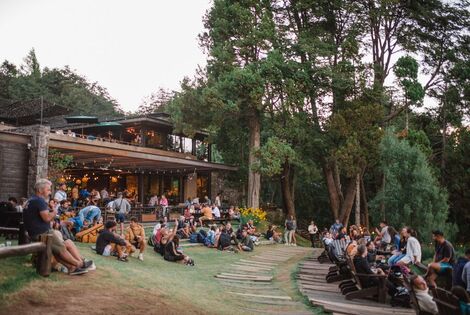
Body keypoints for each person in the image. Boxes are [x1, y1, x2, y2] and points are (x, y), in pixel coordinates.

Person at [23, 179, 92, 275]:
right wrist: (55, 211)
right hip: (42, 234)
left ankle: (71, 268)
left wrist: (51, 209)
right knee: (61, 249)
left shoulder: (31, 200)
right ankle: (80, 264)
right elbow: (47, 218)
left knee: (59, 248)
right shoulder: (39, 201)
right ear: (40, 190)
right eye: (48, 190)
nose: (50, 192)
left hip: (35, 234)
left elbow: (42, 218)